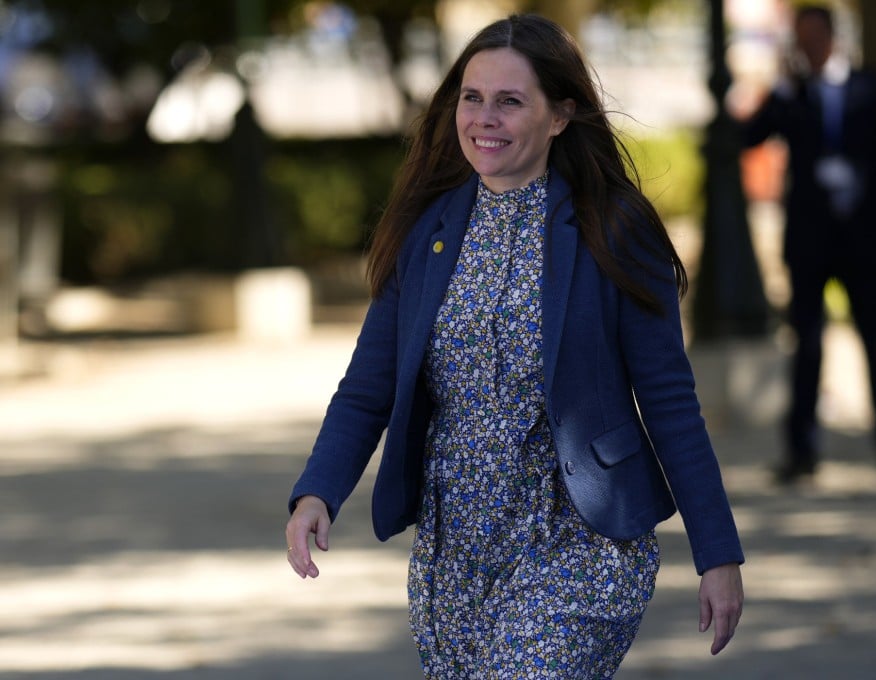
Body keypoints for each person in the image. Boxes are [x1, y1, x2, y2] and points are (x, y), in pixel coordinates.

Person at [285, 14, 744, 677]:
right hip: (458, 550)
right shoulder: (426, 233)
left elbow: (671, 402)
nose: (484, 118)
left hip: (581, 542)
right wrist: (316, 495)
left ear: (560, 116)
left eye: (509, 101)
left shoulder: (613, 230)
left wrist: (717, 552)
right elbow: (368, 388)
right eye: (472, 98)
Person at [739, 4, 876, 484]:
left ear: (832, 38)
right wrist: (778, 90)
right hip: (810, 239)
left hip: (864, 235)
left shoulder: (873, 86)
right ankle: (801, 451)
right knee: (807, 345)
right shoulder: (792, 94)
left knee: (875, 339)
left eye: (815, 37)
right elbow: (748, 137)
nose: (810, 47)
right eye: (801, 39)